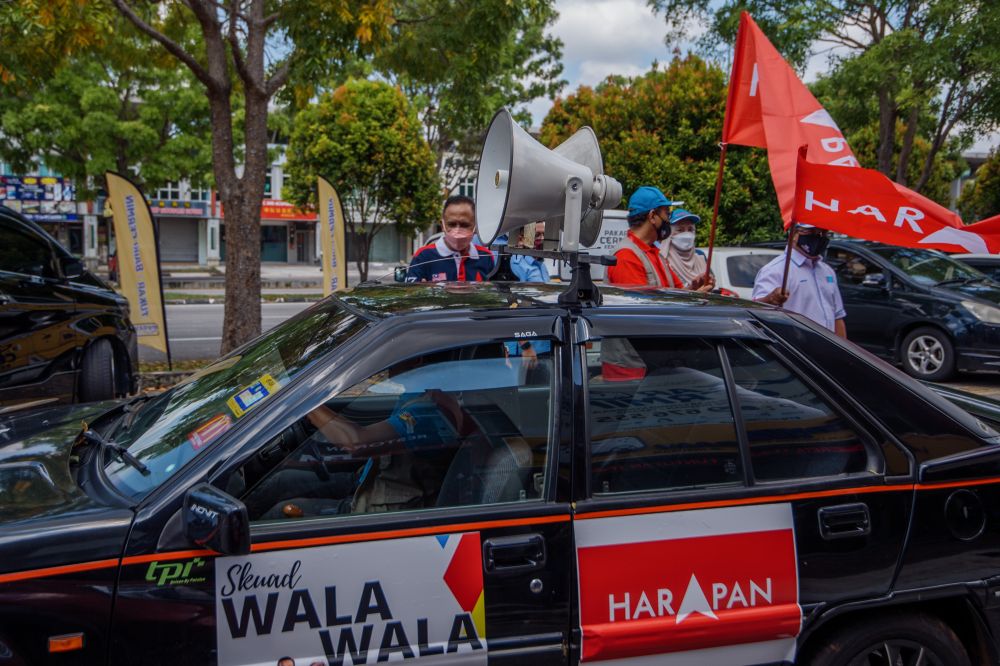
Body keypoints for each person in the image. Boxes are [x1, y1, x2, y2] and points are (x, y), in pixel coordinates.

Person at [607, 186, 714, 291]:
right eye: (667, 214)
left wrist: (693, 290)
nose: (668, 220)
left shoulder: (655, 253)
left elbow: (676, 293)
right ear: (652, 216)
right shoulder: (627, 257)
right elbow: (640, 301)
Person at [752, 224, 847, 338]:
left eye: (823, 232)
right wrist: (771, 298)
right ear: (793, 234)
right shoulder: (775, 270)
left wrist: (843, 348)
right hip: (796, 347)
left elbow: (837, 316)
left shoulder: (827, 271)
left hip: (828, 346)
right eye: (811, 232)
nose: (818, 237)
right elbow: (756, 312)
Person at [407, 195, 494, 282]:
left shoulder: (485, 257)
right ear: (442, 226)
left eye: (465, 225)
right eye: (452, 224)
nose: (457, 230)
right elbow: (411, 289)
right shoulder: (423, 257)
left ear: (475, 226)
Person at [661, 209, 714, 290]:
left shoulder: (701, 256)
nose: (686, 234)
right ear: (669, 233)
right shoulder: (662, 260)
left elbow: (712, 283)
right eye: (680, 230)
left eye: (690, 229)